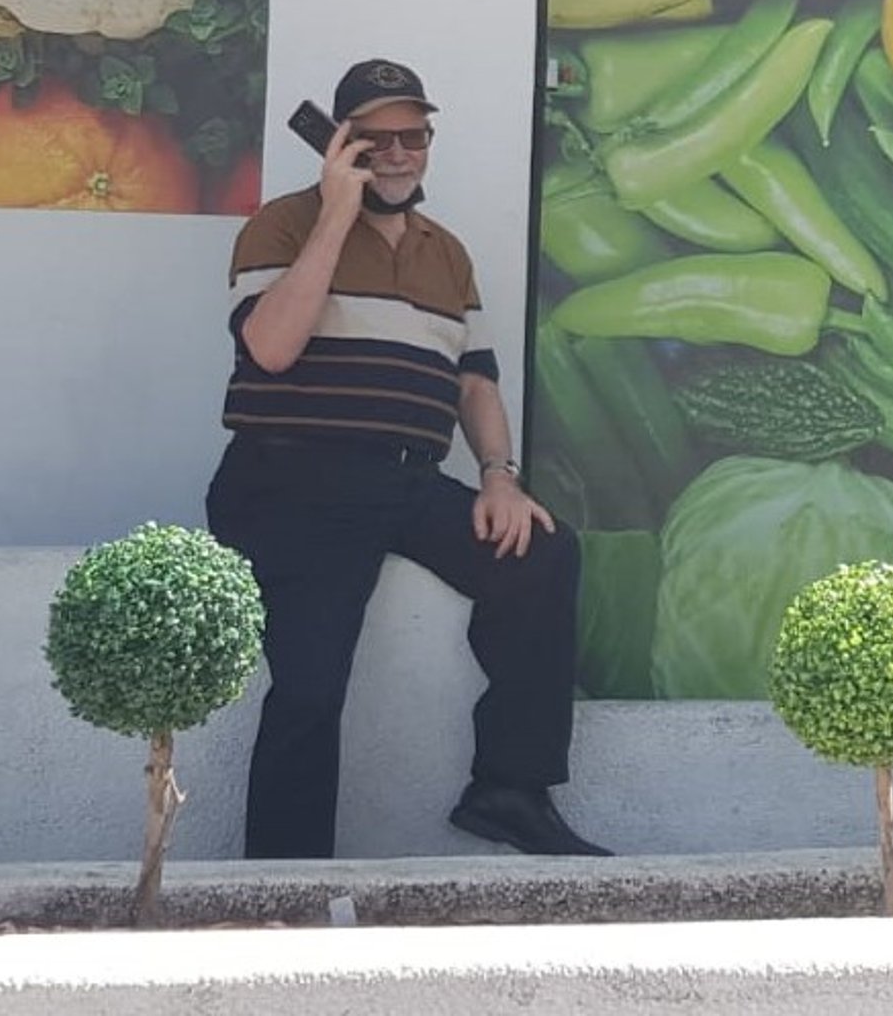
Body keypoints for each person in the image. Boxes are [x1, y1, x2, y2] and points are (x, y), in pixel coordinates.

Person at [206, 58, 610, 860]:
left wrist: (500, 477)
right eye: (375, 139)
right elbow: (271, 348)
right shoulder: (282, 226)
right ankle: (282, 884)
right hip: (292, 480)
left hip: (404, 480)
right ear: (341, 143)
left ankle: (508, 789)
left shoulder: (445, 253)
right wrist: (335, 214)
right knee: (312, 684)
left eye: (412, 137)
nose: (397, 154)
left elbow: (476, 384)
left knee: (542, 554)